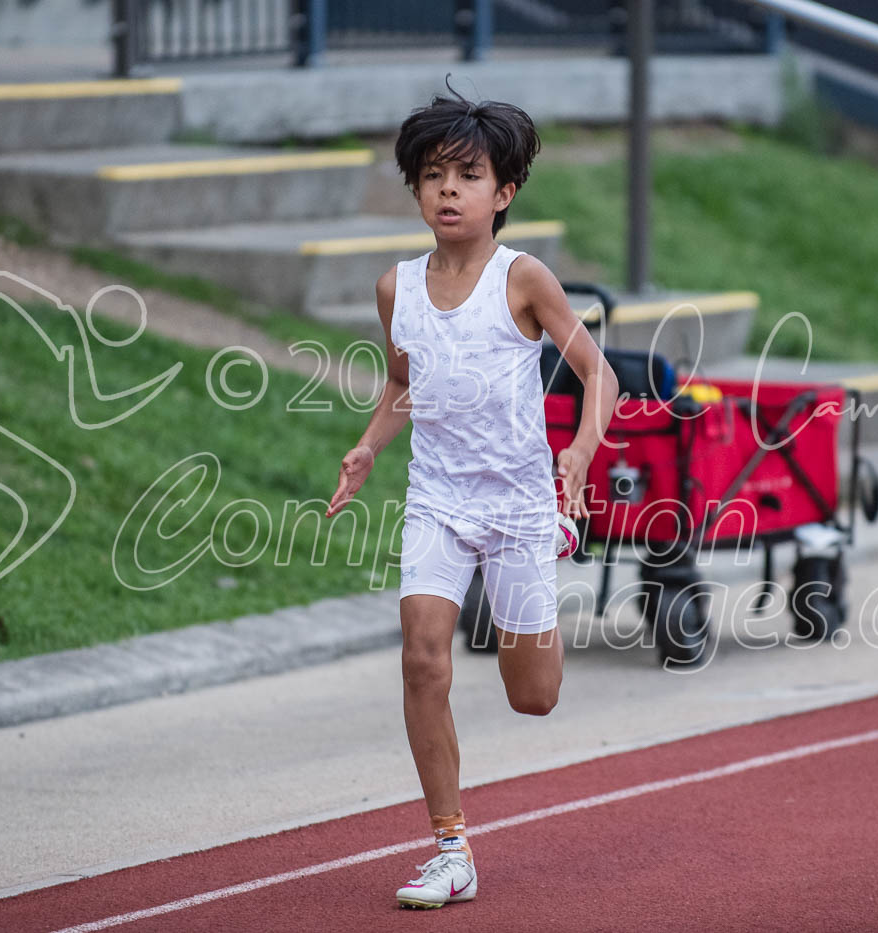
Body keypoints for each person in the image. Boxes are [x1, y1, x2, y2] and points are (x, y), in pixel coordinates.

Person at [325, 86, 619, 909]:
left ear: (504, 191)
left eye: (467, 175)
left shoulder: (522, 279)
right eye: (432, 176)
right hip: (438, 500)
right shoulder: (396, 288)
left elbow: (599, 373)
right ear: (415, 190)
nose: (447, 190)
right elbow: (402, 384)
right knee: (423, 657)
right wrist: (368, 446)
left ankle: (551, 548)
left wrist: (579, 453)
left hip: (521, 503)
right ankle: (451, 848)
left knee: (535, 696)